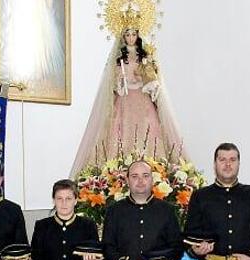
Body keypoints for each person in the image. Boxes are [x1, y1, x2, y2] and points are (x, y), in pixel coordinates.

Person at [70, 23, 187, 176]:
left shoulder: (146, 56)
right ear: (123, 37)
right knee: (121, 130)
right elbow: (113, 81)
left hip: (143, 99)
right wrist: (121, 81)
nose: (131, 38)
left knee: (148, 127)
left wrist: (149, 79)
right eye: (127, 35)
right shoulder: (119, 58)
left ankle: (151, 169)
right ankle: (118, 171)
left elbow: (152, 78)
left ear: (138, 35)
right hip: (124, 101)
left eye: (133, 34)